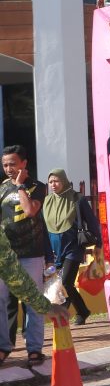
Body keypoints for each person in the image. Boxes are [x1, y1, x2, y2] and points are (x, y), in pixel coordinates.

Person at [0, 145, 50, 367]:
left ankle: (34, 350)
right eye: (5, 165)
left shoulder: (37, 186)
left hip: (31, 254)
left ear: (23, 163)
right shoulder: (1, 188)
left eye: (12, 164)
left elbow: (30, 211)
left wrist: (20, 186)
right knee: (0, 301)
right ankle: (3, 347)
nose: (8, 168)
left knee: (33, 302)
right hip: (6, 257)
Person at [43, 169, 101, 326]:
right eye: (51, 182)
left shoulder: (77, 199)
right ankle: (83, 311)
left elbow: (92, 221)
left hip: (73, 248)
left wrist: (99, 243)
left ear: (64, 181)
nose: (53, 185)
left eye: (56, 181)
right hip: (54, 250)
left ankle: (61, 315)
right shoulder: (47, 201)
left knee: (66, 282)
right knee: (65, 283)